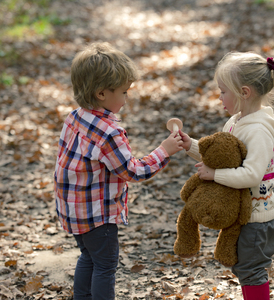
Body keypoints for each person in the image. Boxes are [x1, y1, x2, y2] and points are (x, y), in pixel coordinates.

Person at [54, 42, 184, 300]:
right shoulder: (109, 133)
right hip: (96, 214)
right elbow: (132, 172)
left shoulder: (75, 117)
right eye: (124, 92)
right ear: (102, 93)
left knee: (88, 257)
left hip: (73, 209)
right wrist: (164, 151)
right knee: (105, 265)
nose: (127, 98)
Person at [179, 52, 274, 299]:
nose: (219, 97)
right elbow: (222, 158)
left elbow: (252, 174)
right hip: (241, 213)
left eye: (223, 91)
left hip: (256, 216)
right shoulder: (236, 121)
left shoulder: (258, 131)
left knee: (251, 269)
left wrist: (214, 175)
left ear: (244, 93)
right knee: (244, 267)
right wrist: (190, 144)